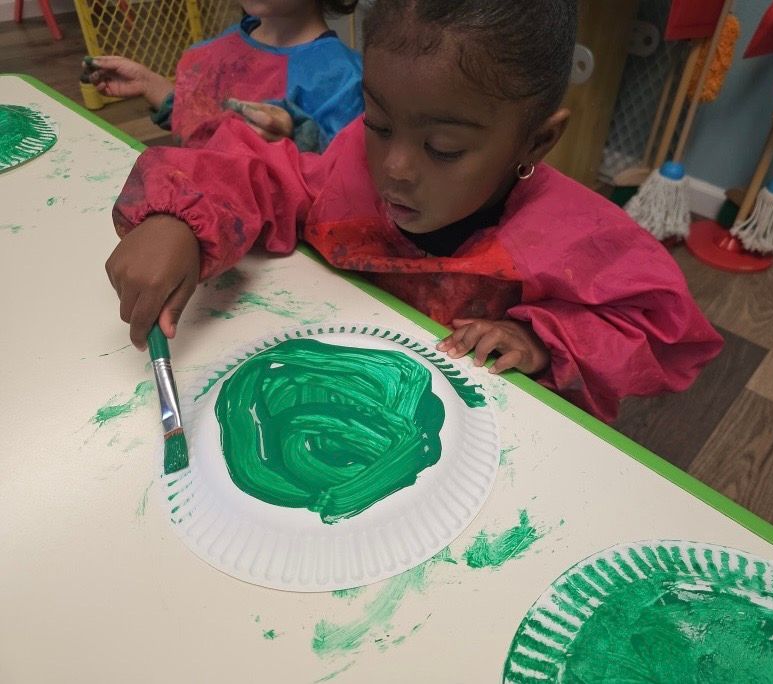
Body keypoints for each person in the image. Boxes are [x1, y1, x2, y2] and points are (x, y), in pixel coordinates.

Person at [105, 0, 723, 424]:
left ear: (535, 141)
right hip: (344, 396)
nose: (394, 167)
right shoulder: (351, 171)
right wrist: (178, 219)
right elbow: (258, 169)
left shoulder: (577, 237)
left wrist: (540, 339)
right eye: (377, 122)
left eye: (442, 148)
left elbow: (664, 329)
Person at [83, 0, 362, 150]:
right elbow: (204, 128)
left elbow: (343, 184)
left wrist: (298, 139)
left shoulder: (344, 81)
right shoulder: (219, 48)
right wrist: (151, 85)